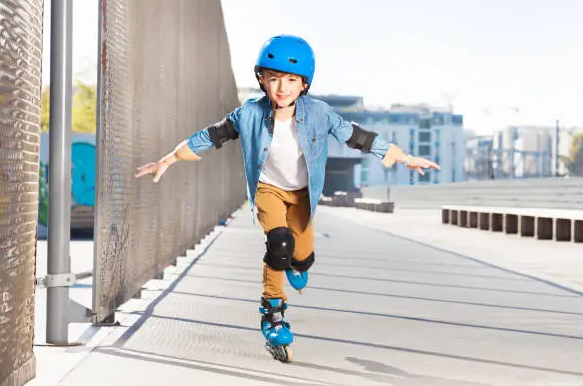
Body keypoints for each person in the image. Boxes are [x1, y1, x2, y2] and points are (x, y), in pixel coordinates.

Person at [135, 34, 440, 362]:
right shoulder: (248, 114)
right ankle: (273, 313)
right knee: (279, 243)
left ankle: (299, 262)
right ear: (262, 79)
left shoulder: (321, 114)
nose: (282, 87)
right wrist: (168, 159)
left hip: (303, 194)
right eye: (274, 78)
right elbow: (209, 136)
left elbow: (358, 137)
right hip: (268, 189)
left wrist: (405, 157)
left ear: (304, 84)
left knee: (303, 256)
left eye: (291, 80)